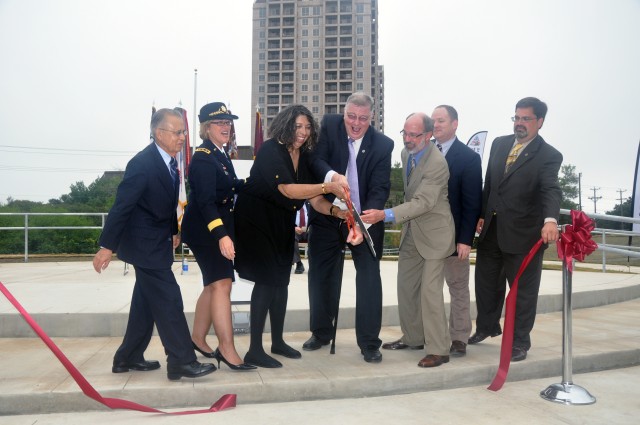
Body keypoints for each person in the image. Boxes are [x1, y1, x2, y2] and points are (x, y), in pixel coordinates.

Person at [234, 104, 362, 368]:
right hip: (256, 222)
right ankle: (254, 350)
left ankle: (277, 341)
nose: (302, 132)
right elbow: (288, 189)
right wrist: (329, 185)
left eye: (307, 127)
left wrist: (337, 212)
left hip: (281, 222)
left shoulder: (302, 156)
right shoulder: (271, 149)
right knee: (266, 282)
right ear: (286, 125)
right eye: (297, 126)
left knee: (281, 282)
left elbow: (314, 198)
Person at [92, 108, 216, 381]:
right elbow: (122, 207)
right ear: (159, 133)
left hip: (157, 241)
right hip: (143, 245)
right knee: (169, 299)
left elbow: (166, 203)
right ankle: (182, 361)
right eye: (178, 132)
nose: (183, 137)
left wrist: (174, 230)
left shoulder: (170, 161)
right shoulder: (143, 163)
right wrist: (106, 246)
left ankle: (127, 357)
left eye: (183, 131)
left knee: (145, 304)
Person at [469, 97, 562, 362]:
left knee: (522, 292)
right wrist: (481, 215)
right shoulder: (499, 144)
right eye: (516, 118)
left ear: (540, 122)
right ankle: (486, 327)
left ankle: (520, 342)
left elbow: (550, 190)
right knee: (486, 285)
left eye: (526, 119)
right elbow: (490, 185)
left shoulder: (549, 155)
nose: (519, 124)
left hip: (524, 236)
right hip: (492, 231)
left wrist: (550, 220)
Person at [304, 92, 393, 363]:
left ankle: (369, 342)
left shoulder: (383, 145)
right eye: (351, 117)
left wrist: (361, 221)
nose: (356, 123)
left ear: (372, 118)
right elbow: (315, 161)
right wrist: (332, 178)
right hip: (329, 213)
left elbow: (380, 188)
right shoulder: (329, 125)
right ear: (344, 114)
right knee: (320, 273)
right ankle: (321, 332)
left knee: (369, 278)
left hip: (364, 217)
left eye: (363, 119)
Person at [361, 112, 455, 368]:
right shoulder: (405, 155)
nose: (408, 139)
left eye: (414, 135)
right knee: (406, 287)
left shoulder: (437, 163)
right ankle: (413, 338)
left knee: (429, 292)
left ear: (428, 135)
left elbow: (424, 201)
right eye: (405, 133)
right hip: (413, 232)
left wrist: (385, 215)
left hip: (435, 236)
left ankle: (439, 349)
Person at [180, 102, 255, 371]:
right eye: (219, 123)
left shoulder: (219, 154)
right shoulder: (202, 158)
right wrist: (222, 236)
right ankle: (226, 348)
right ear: (206, 128)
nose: (226, 126)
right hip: (206, 230)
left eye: (228, 122)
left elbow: (229, 185)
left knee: (213, 285)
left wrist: (253, 182)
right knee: (222, 284)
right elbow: (206, 202)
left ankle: (197, 338)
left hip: (212, 227)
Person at [431, 105, 482, 357]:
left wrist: (465, 239)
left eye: (441, 120)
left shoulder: (469, 158)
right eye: (434, 121)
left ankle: (459, 337)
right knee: (426, 289)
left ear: (455, 124)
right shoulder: (422, 150)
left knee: (458, 287)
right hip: (425, 237)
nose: (436, 125)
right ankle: (425, 334)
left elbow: (473, 203)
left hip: (453, 239)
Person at [292, 202, 308, 274]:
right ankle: (299, 263)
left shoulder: (311, 203)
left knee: (317, 237)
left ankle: (314, 265)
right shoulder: (291, 203)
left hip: (309, 230)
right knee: (291, 238)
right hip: (295, 229)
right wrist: (294, 227)